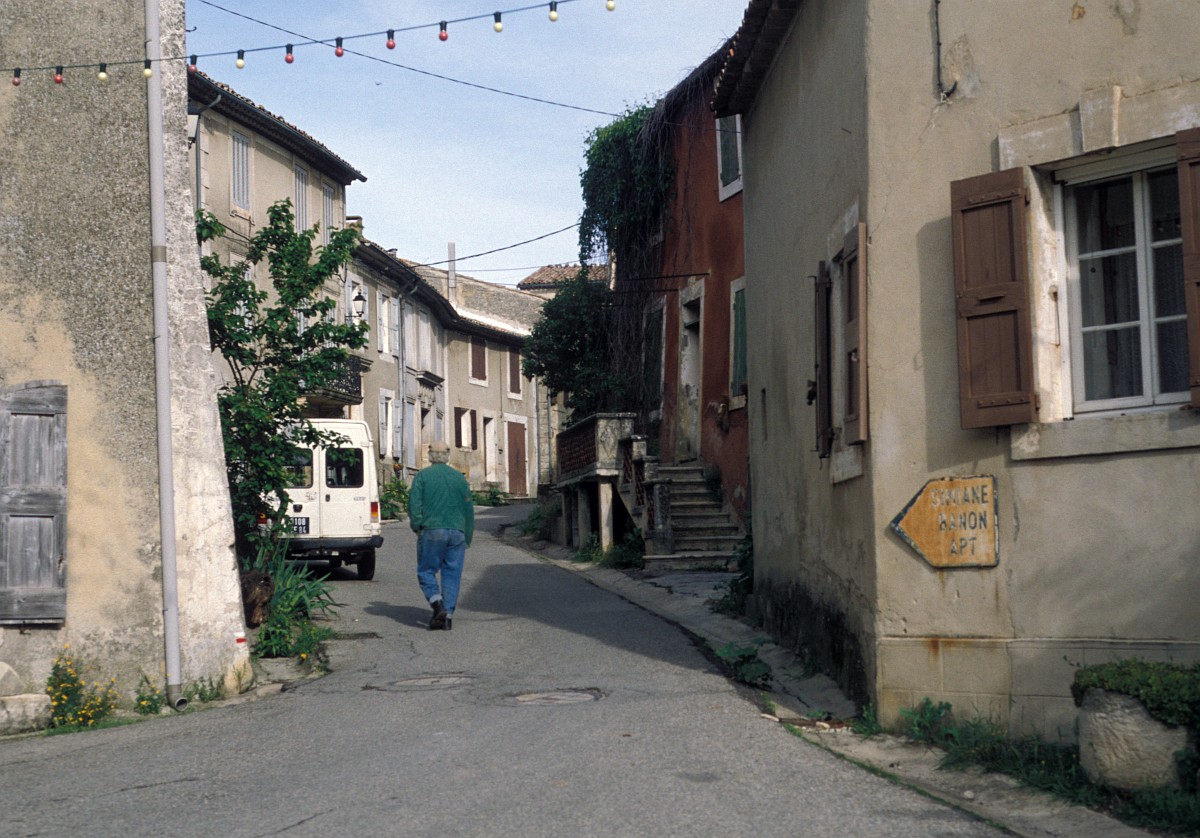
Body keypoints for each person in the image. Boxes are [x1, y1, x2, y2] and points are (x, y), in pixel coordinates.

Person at [408, 440, 474, 630]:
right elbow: (468, 508)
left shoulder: (422, 476)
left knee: (426, 570)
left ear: (430, 455)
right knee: (452, 573)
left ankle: (437, 604)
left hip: (432, 529)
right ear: (447, 455)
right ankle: (448, 617)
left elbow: (414, 504)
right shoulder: (459, 478)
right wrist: (467, 535)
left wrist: (417, 526)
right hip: (457, 531)